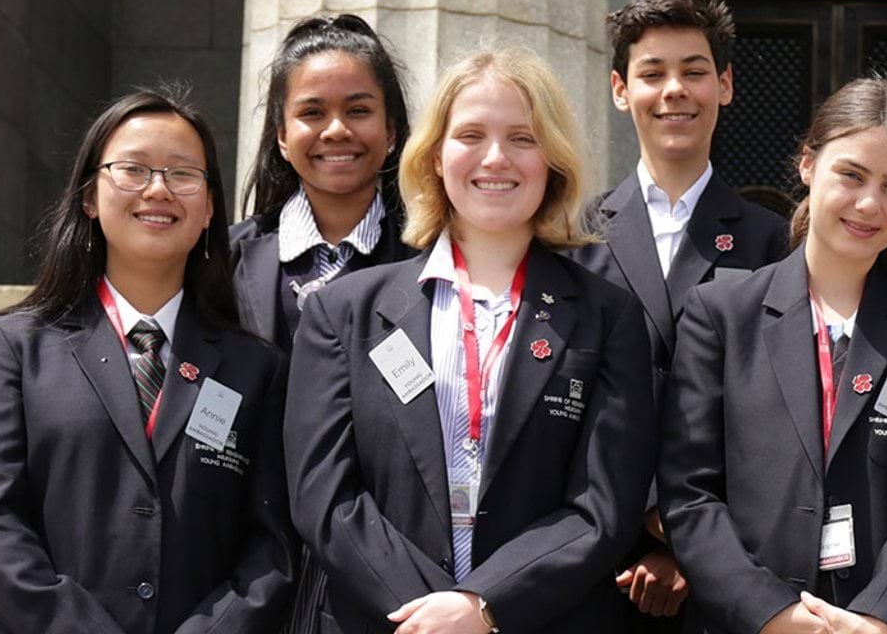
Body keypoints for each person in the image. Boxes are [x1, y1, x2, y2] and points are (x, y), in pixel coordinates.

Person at [281, 47, 656, 634]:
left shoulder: (608, 315)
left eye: (522, 138)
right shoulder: (343, 311)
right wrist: (430, 615)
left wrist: (484, 604)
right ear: (435, 156)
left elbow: (604, 506)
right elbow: (323, 495)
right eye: (471, 135)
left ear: (552, 160)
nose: (495, 157)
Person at [0, 88, 295, 634]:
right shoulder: (15, 346)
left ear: (209, 207)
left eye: (183, 174)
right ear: (89, 196)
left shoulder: (256, 368)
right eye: (133, 169)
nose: (158, 189)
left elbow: (271, 550)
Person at [660, 77, 887, 634]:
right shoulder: (722, 316)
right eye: (851, 175)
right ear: (808, 165)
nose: (869, 204)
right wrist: (771, 614)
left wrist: (878, 618)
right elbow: (689, 495)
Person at [567, 0, 791, 627]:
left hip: (729, 564)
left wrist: (691, 543)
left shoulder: (771, 240)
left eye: (694, 71)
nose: (674, 91)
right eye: (652, 74)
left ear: (725, 85)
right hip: (594, 553)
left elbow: (774, 412)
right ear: (620, 89)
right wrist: (642, 517)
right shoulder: (575, 236)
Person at [228, 13, 419, 634]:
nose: (336, 130)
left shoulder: (432, 263)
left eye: (359, 110)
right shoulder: (223, 263)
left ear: (392, 130)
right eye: (311, 112)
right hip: (242, 566)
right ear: (282, 136)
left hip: (384, 566)